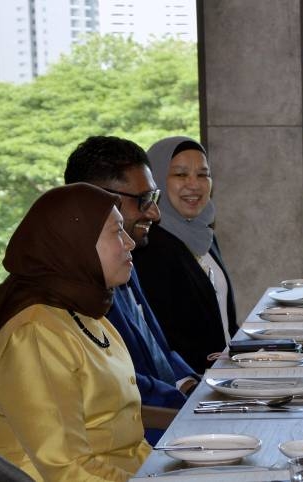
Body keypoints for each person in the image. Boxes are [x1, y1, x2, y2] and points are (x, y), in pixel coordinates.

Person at [0, 183, 151, 481]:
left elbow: (127, 444)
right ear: (76, 244)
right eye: (116, 232)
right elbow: (65, 469)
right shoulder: (33, 335)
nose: (129, 243)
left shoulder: (85, 315)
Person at [64, 136, 200, 444]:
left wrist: (197, 385)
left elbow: (160, 352)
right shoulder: (73, 293)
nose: (155, 213)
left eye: (154, 198)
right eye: (143, 200)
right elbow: (121, 385)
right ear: (98, 200)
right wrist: (194, 408)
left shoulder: (126, 260)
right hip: (142, 439)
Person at [133, 137, 236, 372]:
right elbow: (165, 340)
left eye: (203, 175)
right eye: (180, 175)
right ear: (155, 179)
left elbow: (225, 322)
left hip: (227, 375)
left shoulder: (204, 234)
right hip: (195, 386)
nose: (194, 184)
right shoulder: (150, 247)